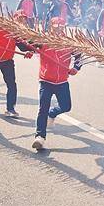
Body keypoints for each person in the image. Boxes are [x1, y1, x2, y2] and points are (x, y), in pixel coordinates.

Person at [31, 17, 83, 150]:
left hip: (62, 82)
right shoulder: (43, 40)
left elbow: (79, 57)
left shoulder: (68, 41)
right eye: (56, 26)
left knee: (66, 107)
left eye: (61, 26)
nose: (59, 28)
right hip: (46, 80)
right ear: (51, 27)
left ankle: (52, 113)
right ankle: (40, 137)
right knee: (42, 109)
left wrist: (76, 68)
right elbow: (28, 44)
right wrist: (29, 50)